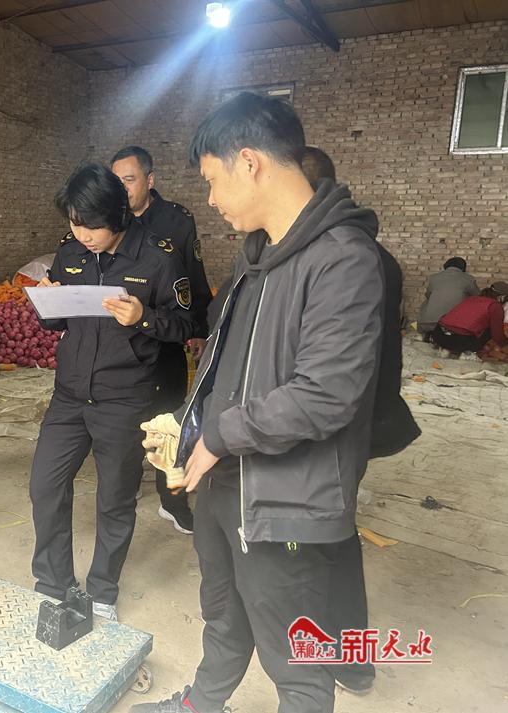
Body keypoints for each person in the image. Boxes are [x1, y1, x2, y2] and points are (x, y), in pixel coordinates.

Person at [133, 93, 384, 713]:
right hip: (228, 482)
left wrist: (221, 436)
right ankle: (200, 704)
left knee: (296, 662)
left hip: (284, 501)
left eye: (212, 180)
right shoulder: (255, 260)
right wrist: (189, 428)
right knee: (223, 614)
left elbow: (326, 394)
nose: (211, 199)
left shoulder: (343, 260)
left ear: (249, 162)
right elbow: (224, 365)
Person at [30, 163, 195, 622]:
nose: (83, 235)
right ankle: (53, 582)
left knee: (115, 499)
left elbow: (185, 324)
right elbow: (59, 322)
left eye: (92, 225)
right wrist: (47, 303)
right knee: (45, 486)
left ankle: (102, 589)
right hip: (69, 394)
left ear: (119, 215)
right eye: (74, 223)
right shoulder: (70, 253)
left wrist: (144, 317)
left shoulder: (157, 258)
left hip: (125, 399)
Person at [300, 145, 421, 695]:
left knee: (332, 537)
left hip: (338, 425)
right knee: (326, 534)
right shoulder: (374, 254)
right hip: (355, 419)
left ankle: (349, 660)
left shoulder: (346, 258)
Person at [111, 146, 210, 535]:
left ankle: (173, 502)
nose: (122, 189)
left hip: (166, 339)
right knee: (126, 423)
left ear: (149, 180)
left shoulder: (176, 221)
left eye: (129, 180)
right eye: (116, 181)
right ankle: (128, 484)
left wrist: (198, 329)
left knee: (169, 422)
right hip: (123, 345)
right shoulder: (109, 218)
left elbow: (194, 277)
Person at [430, 282, 508, 355]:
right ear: (502, 297)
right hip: (458, 341)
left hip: (438, 334)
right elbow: (497, 336)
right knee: (491, 328)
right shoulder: (494, 306)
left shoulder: (472, 298)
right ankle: (467, 351)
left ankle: (446, 348)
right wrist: (505, 344)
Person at [417, 257, 480, 334]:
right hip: (455, 324)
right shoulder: (468, 279)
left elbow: (428, 295)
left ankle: (425, 329)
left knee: (426, 302)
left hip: (430, 323)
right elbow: (478, 298)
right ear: (463, 267)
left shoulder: (434, 278)